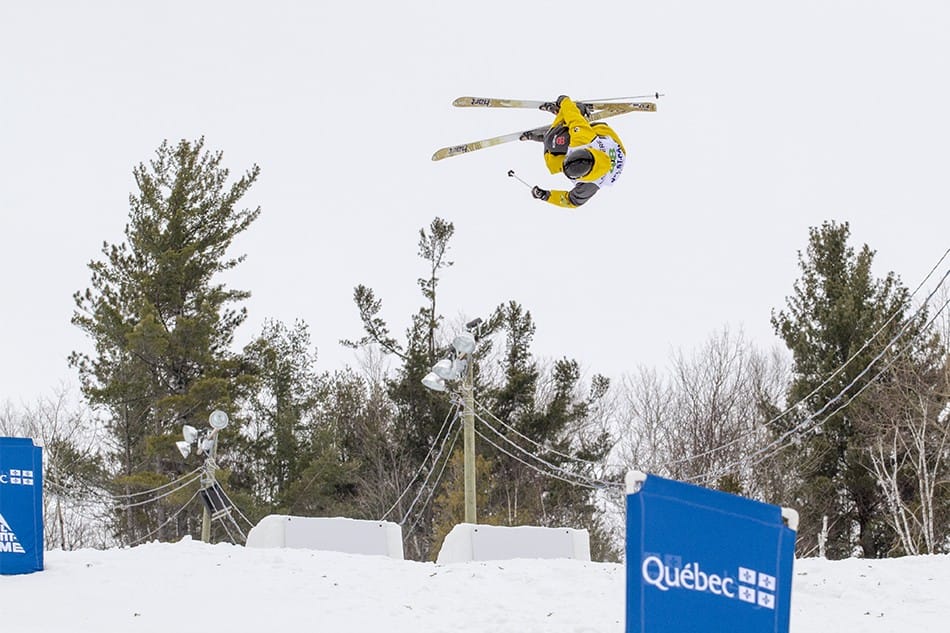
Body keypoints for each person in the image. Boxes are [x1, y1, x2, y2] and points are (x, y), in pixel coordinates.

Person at [520, 95, 626, 208]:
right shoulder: (584, 140)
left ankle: (548, 139)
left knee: (552, 164)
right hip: (602, 133)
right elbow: (573, 117)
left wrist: (546, 196)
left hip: (604, 159)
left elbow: (571, 201)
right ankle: (580, 110)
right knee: (552, 140)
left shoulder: (589, 186)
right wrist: (564, 102)